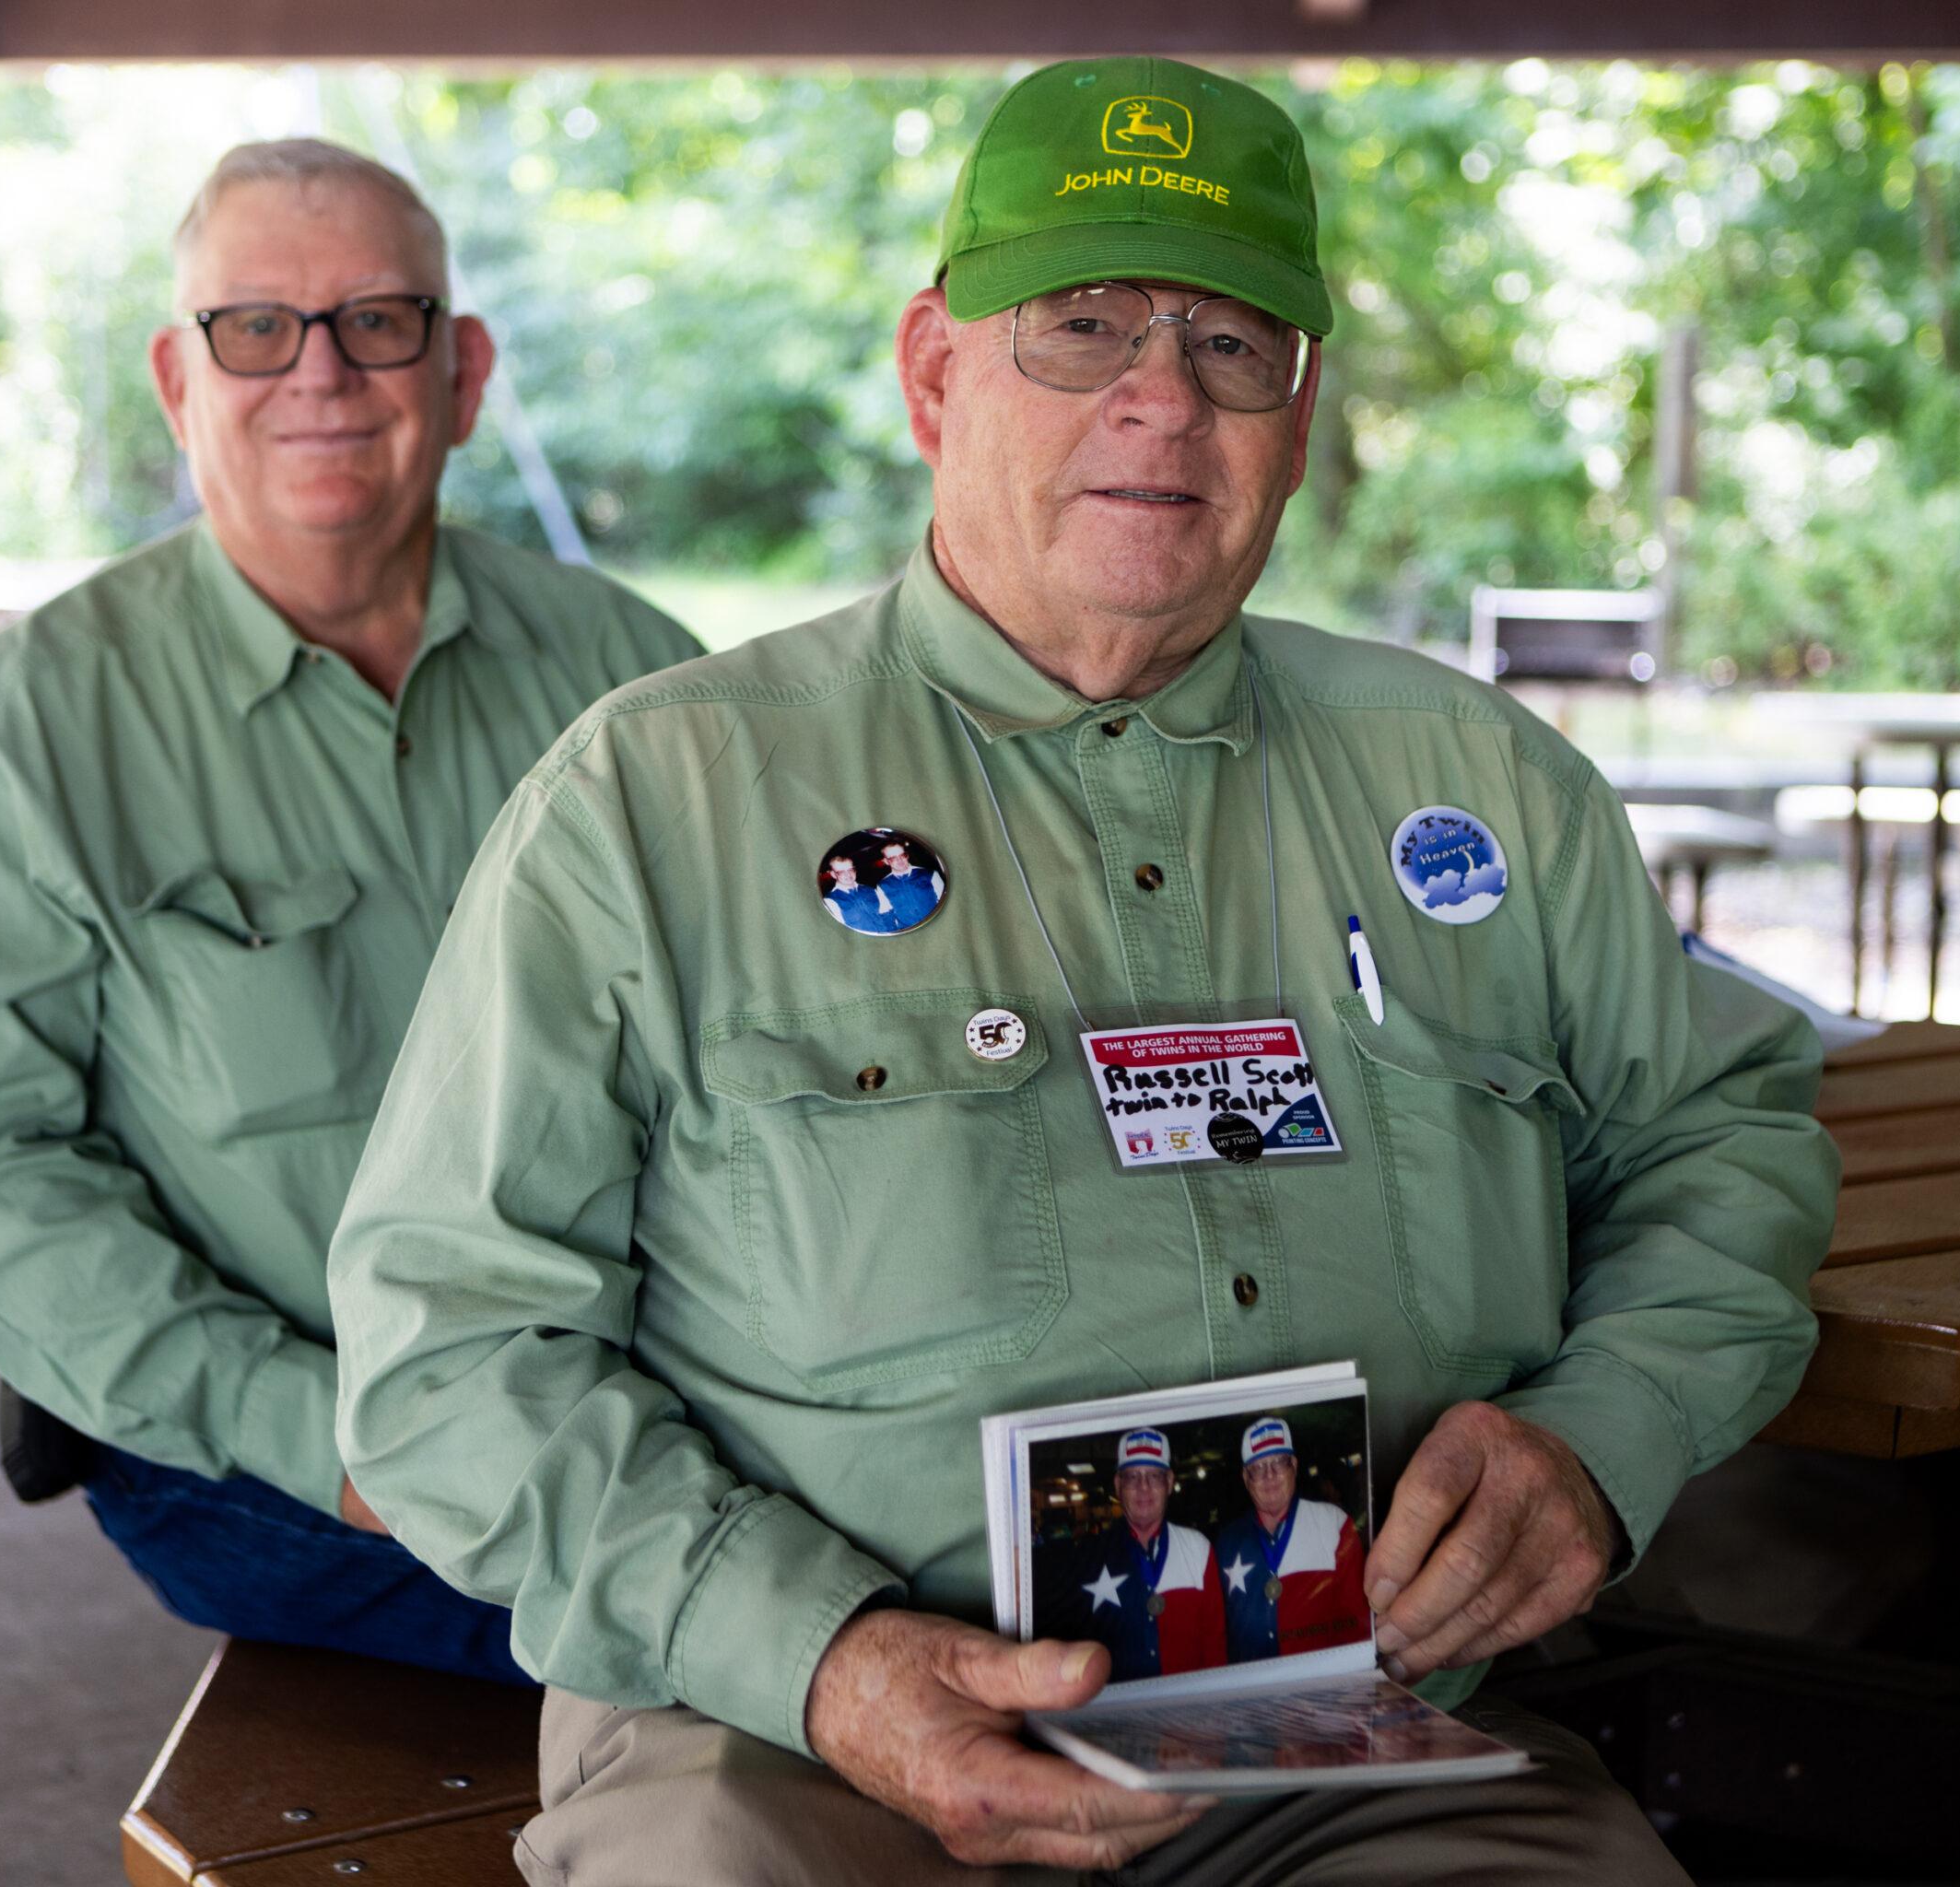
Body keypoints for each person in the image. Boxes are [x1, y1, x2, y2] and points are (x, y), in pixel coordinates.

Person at [328, 55, 1837, 1882]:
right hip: (791, 1746)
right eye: (1082, 324)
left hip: (1369, 1728)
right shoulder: (657, 797)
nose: (1159, 400)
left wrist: (1605, 1435)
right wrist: (814, 1655)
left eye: (1230, 345)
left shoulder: (1472, 781)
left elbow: (1719, 1133)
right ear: (931, 369)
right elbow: (450, 1346)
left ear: (1293, 411)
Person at [0, 139, 698, 1680]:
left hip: (641, 1403)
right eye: (255, 327)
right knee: (744, 1645)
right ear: (179, 378)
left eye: (380, 320)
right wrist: (321, 1434)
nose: (322, 373)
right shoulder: (33, 726)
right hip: (268, 1450)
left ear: (464, 369)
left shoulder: (639, 680)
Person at [1047, 1428, 1221, 1682]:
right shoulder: (1086, 1557)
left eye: (1154, 1476)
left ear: (1169, 1482)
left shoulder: (1199, 1549)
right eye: (1132, 1477)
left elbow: (1215, 1645)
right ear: (1118, 1485)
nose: (1143, 1487)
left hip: (1188, 1711)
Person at [1211, 1416, 1369, 1666]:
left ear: (1294, 1466)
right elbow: (1216, 1632)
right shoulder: (1226, 1542)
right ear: (1246, 1477)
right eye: (1259, 1467)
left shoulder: (1335, 1525)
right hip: (1251, 1689)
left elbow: (1358, 1626)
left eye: (1278, 1463)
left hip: (1320, 1686)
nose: (1270, 1475)